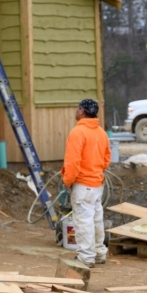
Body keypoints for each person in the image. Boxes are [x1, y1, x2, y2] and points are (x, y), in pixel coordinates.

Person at [61, 98, 111, 267]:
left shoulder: (78, 132)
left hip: (82, 185)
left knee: (83, 222)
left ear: (82, 111)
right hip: (97, 184)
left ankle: (86, 258)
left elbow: (73, 162)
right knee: (96, 220)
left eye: (77, 108)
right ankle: (99, 252)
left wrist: (67, 180)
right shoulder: (101, 133)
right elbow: (106, 159)